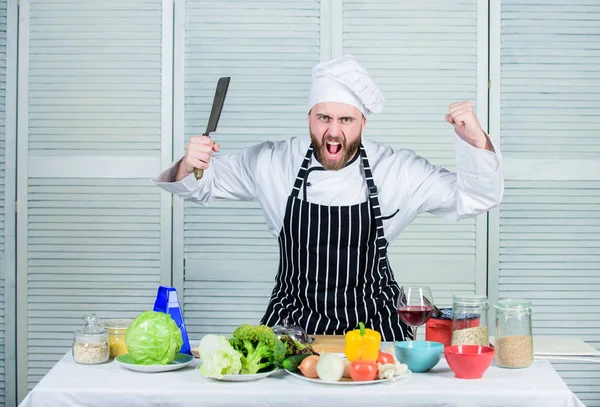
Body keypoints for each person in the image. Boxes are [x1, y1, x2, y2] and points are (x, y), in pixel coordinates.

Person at [153, 55, 503, 341]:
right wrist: (190, 163)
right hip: (290, 325)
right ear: (309, 118)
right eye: (324, 118)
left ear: (363, 123)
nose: (333, 131)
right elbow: (198, 185)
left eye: (345, 119)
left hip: (377, 327)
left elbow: (475, 196)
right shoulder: (272, 162)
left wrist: (474, 139)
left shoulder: (398, 170)